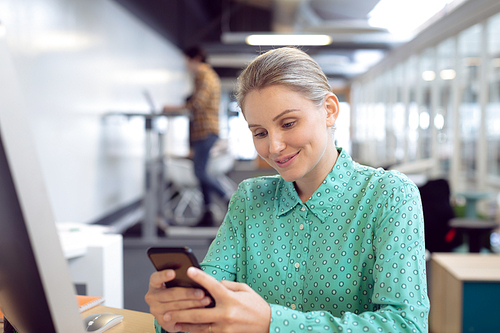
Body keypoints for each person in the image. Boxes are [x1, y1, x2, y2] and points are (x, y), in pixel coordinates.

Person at [147, 47, 430, 333]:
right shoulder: (249, 198)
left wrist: (273, 323)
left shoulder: (389, 195)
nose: (274, 147)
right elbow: (209, 293)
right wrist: (173, 310)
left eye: (288, 123)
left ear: (329, 110)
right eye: (259, 132)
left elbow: (406, 325)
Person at [163, 46, 229, 227]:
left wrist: (173, 108)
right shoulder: (204, 77)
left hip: (205, 131)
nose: (186, 66)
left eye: (187, 61)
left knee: (199, 172)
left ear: (196, 59)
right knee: (202, 172)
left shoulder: (205, 76)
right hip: (202, 131)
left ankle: (228, 197)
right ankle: (207, 212)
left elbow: (197, 104)